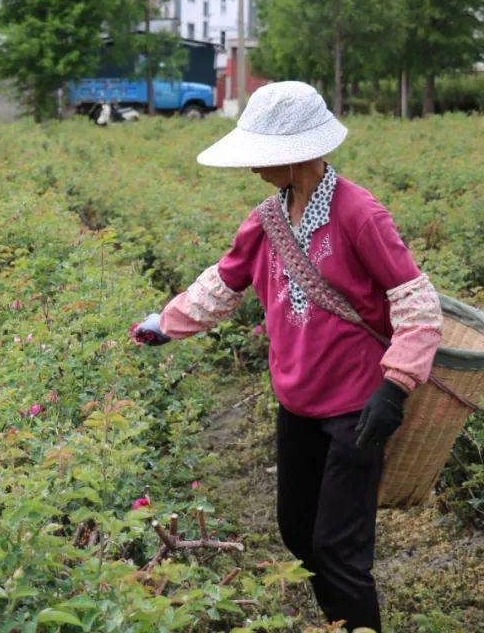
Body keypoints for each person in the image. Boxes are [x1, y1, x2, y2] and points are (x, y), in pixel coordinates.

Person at [131, 81, 442, 633]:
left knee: (339, 550)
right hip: (296, 402)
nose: (253, 168)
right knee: (298, 534)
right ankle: (335, 625)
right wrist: (166, 324)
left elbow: (415, 300)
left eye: (263, 156)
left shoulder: (359, 214)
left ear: (298, 155)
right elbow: (223, 284)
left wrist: (394, 388)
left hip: (357, 408)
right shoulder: (266, 219)